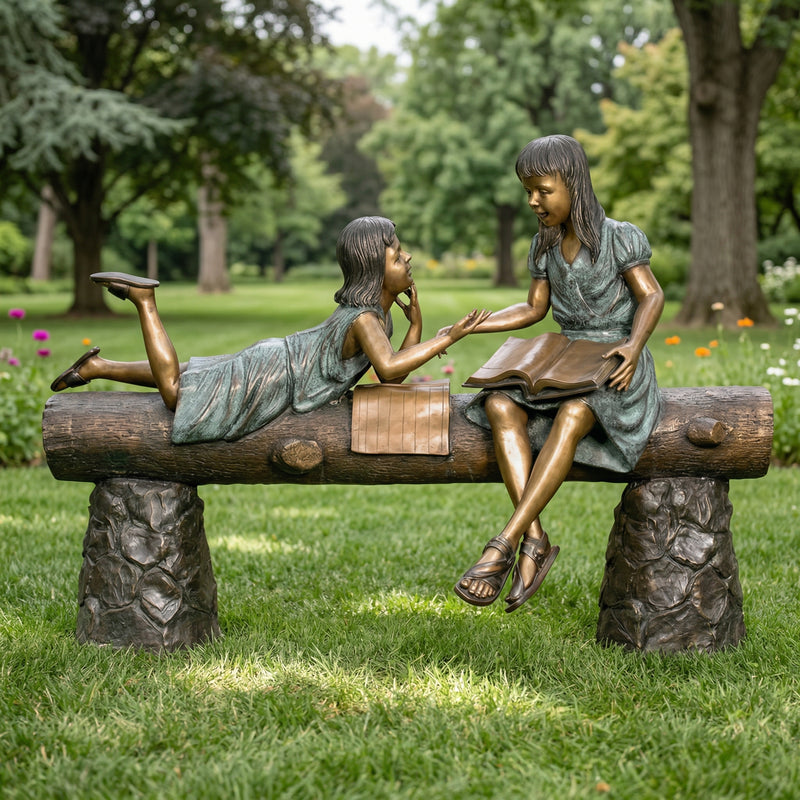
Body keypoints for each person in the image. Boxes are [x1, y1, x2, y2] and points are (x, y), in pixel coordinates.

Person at [453, 135, 664, 612]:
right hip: (567, 356)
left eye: (542, 190)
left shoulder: (619, 236)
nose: (533, 201)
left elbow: (651, 296)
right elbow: (533, 308)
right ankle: (535, 539)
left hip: (614, 360)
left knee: (573, 413)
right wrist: (478, 324)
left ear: (573, 183)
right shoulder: (544, 244)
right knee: (499, 401)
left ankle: (502, 545)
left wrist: (633, 345)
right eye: (527, 191)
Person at [51, 216, 489, 445]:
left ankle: (97, 367)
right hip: (276, 372)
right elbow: (390, 368)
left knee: (193, 374)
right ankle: (146, 302)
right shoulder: (364, 319)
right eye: (397, 256)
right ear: (376, 271)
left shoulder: (378, 314)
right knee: (177, 394)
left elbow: (391, 376)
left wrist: (415, 326)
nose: (408, 258)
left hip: (278, 360)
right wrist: (447, 337)